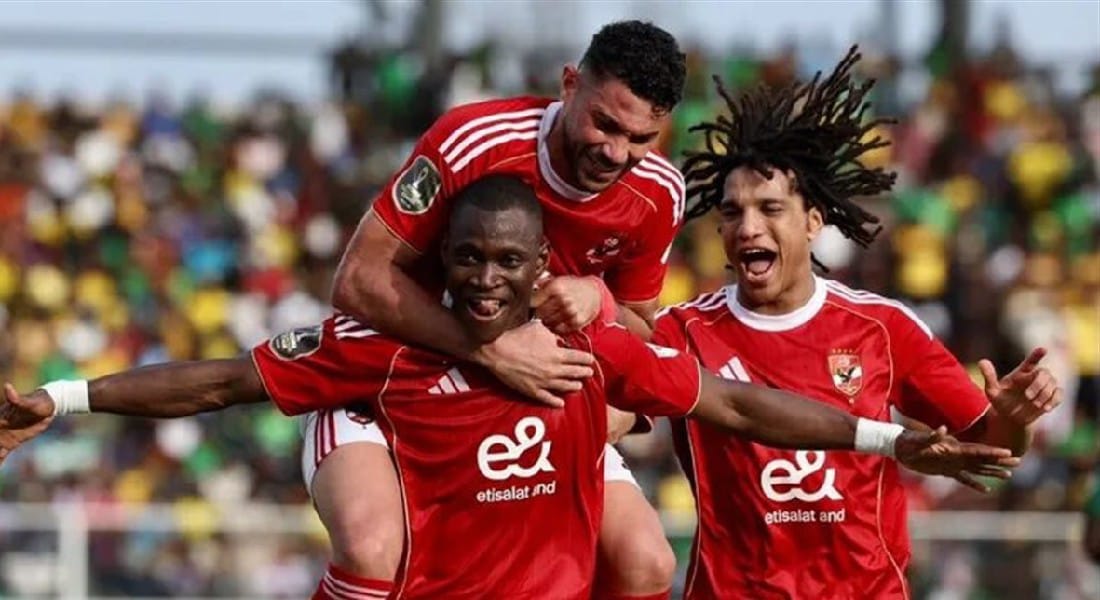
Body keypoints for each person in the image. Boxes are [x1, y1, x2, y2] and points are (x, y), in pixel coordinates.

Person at [0, 175, 1019, 599]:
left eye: (509, 263)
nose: (486, 280)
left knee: (640, 560)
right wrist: (63, 399)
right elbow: (221, 383)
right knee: (367, 546)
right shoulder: (383, 348)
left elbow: (735, 405)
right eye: (468, 258)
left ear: (541, 268)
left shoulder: (588, 346)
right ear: (442, 260)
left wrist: (889, 441)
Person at [654, 47, 1063, 599]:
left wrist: (1014, 420)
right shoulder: (680, 331)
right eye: (732, 212)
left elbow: (994, 447)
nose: (747, 227)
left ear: (813, 222)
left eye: (770, 209)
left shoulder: (882, 328)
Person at [319, 20, 689, 598]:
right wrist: (490, 351)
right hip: (399, 379)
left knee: (645, 560)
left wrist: (600, 299)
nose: (616, 152)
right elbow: (358, 280)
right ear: (569, 84)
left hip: (524, 405)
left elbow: (642, 328)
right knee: (372, 550)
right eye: (605, 124)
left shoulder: (659, 192)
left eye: (641, 138)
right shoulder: (475, 140)